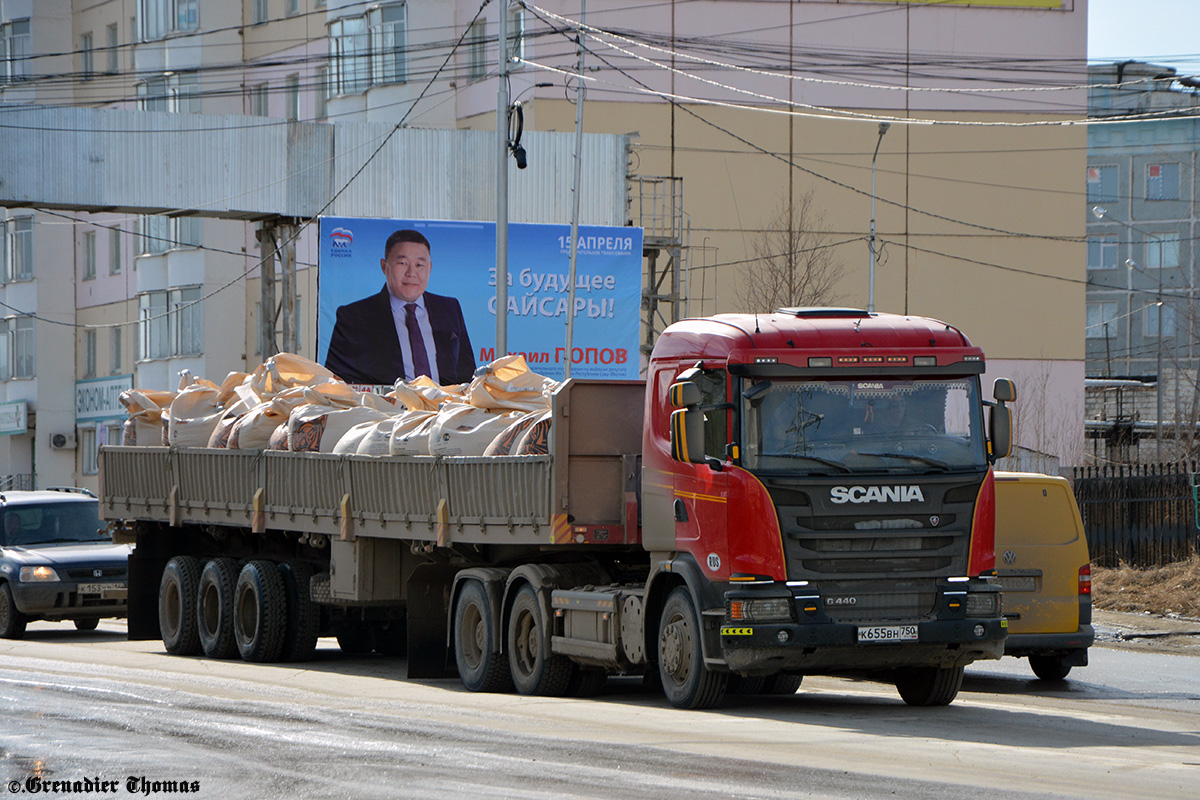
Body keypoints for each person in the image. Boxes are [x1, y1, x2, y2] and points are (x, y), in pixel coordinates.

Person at [324, 229, 476, 386]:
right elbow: (338, 382)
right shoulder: (354, 317)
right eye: (403, 263)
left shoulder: (449, 309)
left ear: (429, 268)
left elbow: (467, 376)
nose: (411, 273)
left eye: (419, 265)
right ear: (384, 266)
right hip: (386, 408)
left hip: (443, 407)